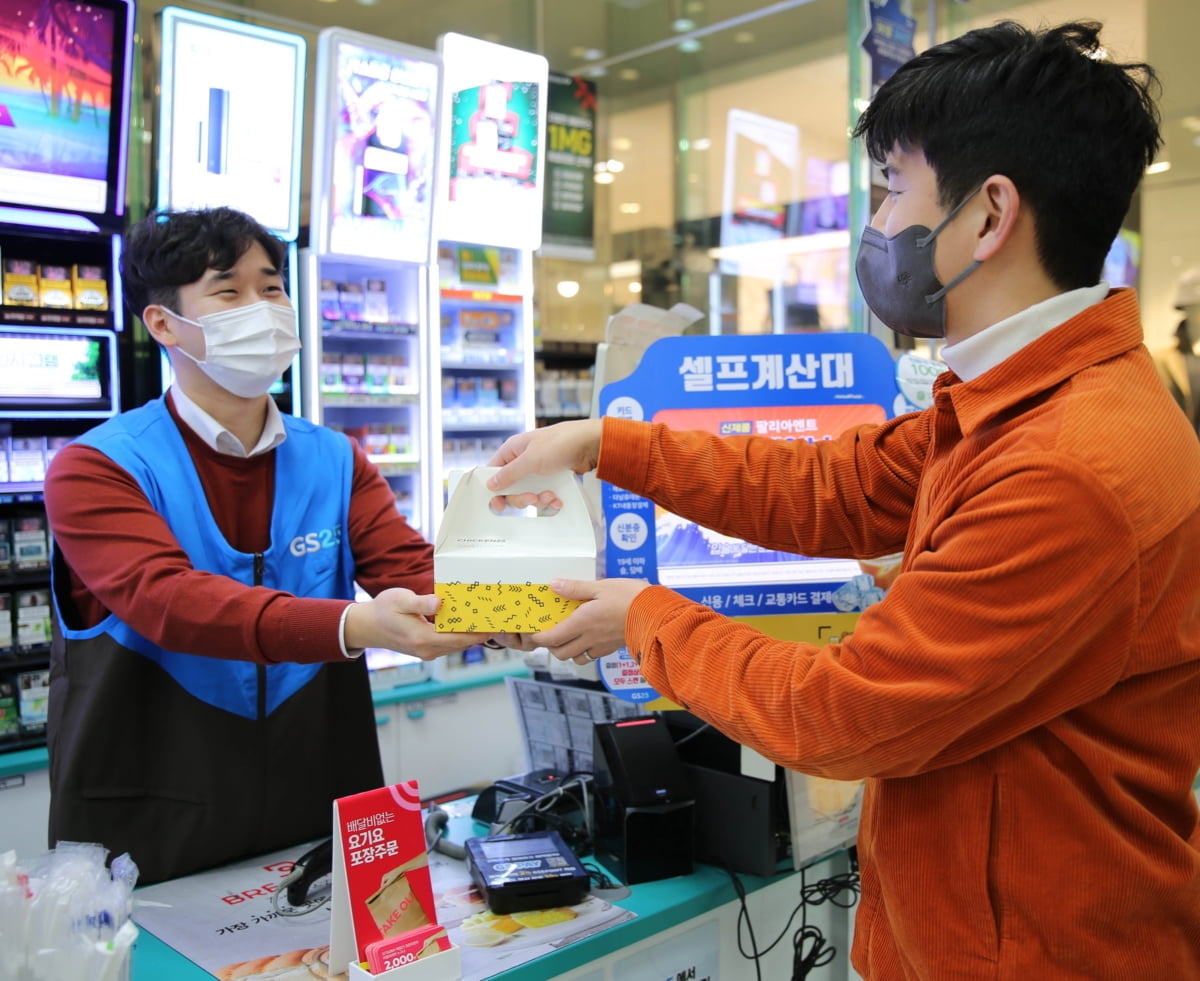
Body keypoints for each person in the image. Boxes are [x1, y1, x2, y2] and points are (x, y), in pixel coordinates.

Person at [486, 21, 1200, 981]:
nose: (877, 223)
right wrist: (608, 442)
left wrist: (646, 620)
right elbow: (837, 484)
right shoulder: (1015, 400)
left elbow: (850, 710)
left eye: (893, 187)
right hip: (971, 930)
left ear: (990, 215)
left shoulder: (1069, 463)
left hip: (1038, 949)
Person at [44, 206, 488, 885]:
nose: (263, 307)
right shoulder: (97, 466)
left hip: (319, 804)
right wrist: (355, 622)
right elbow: (170, 601)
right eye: (228, 290)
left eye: (272, 287)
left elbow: (412, 568)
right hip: (151, 824)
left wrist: (532, 594)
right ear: (164, 324)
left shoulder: (335, 458)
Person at [1153, 266, 1200, 434]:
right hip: (1180, 448)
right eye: (1193, 305)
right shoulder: (1161, 360)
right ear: (1184, 307)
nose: (1198, 309)